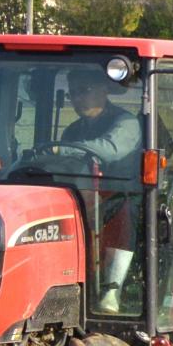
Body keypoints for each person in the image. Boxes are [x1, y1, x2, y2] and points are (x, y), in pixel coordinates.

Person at [61, 68, 143, 313]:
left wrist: (61, 150)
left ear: (104, 90)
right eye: (74, 93)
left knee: (124, 211)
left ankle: (112, 291)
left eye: (85, 91)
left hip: (127, 194)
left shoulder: (125, 122)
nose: (78, 99)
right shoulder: (74, 130)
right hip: (89, 195)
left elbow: (109, 149)